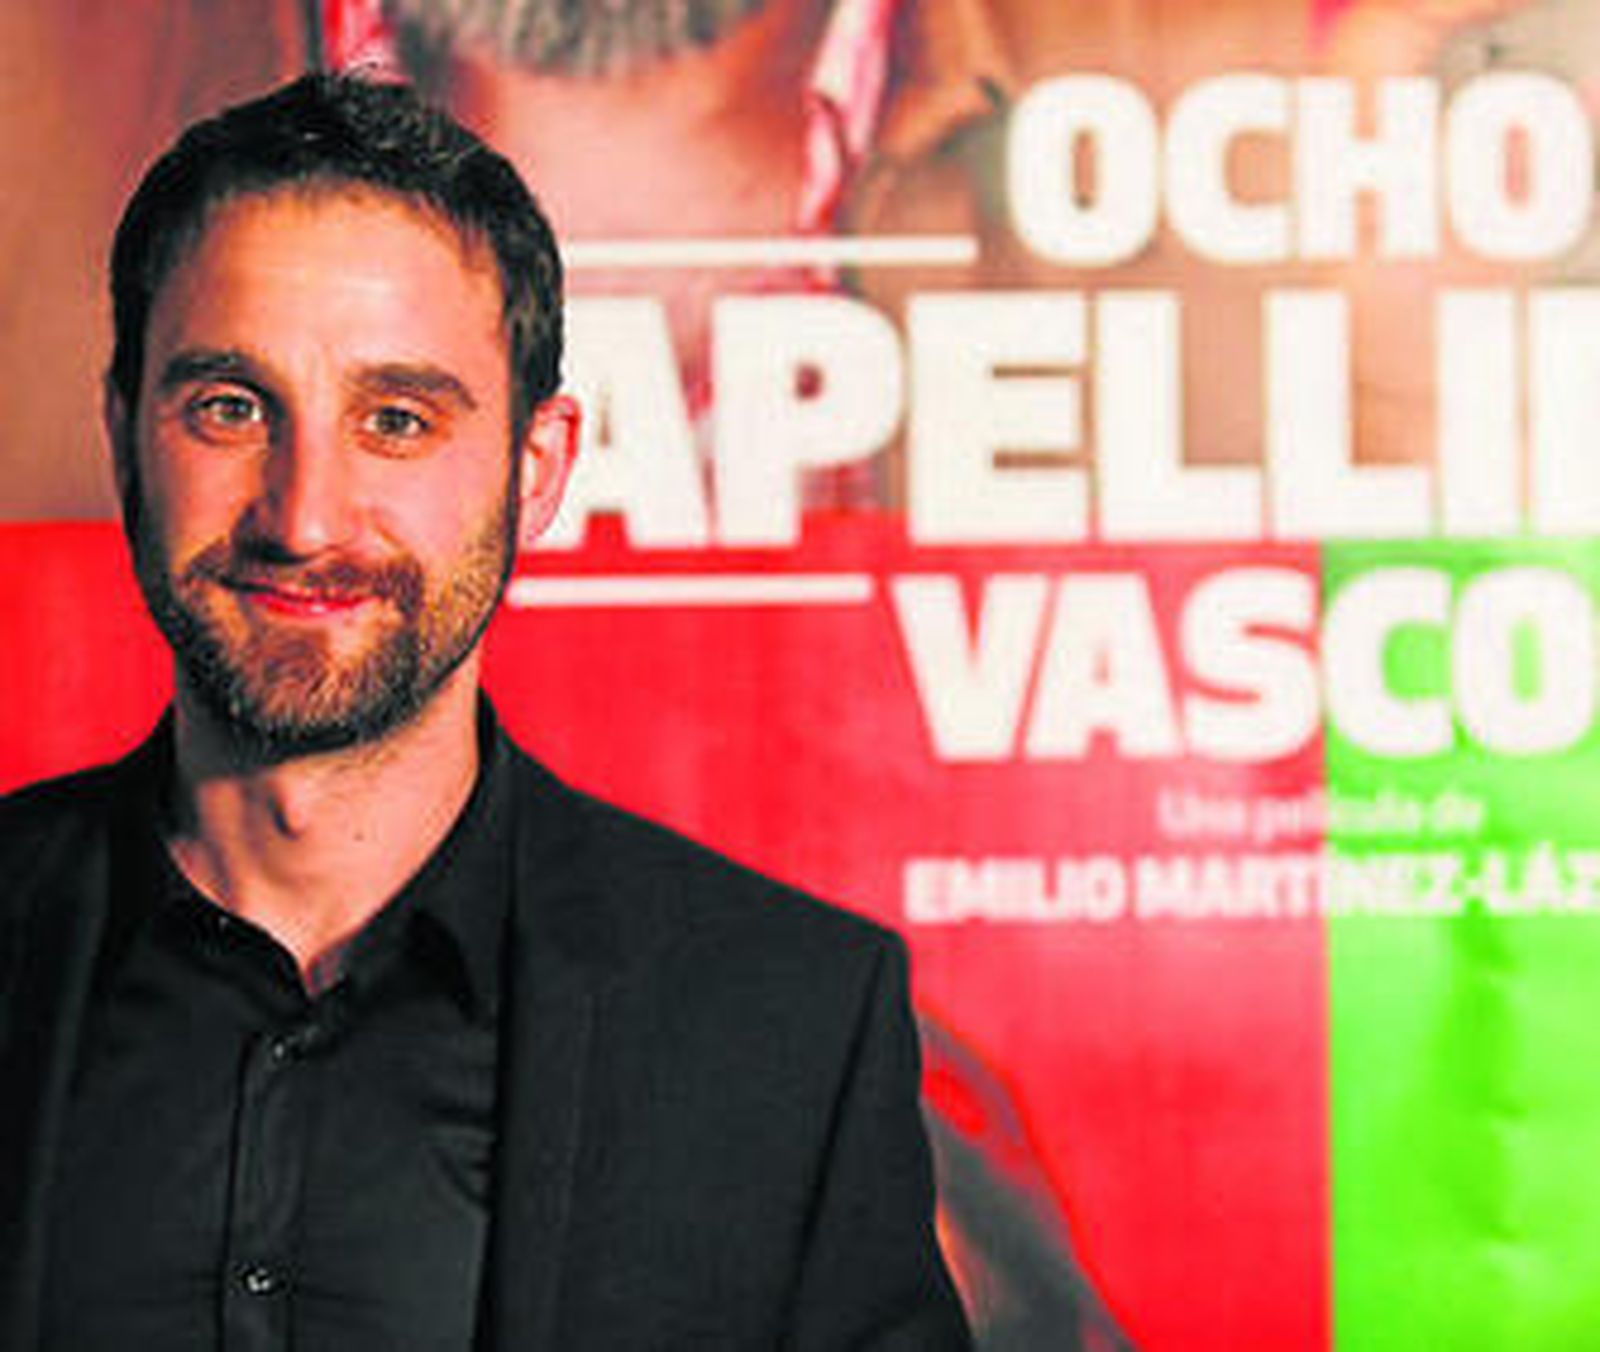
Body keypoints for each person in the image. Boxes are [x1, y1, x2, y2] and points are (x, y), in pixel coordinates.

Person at [0, 72, 969, 1350]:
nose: (305, 516)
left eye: (396, 420)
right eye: (230, 407)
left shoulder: (783, 1025)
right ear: (126, 431)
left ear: (537, 467)